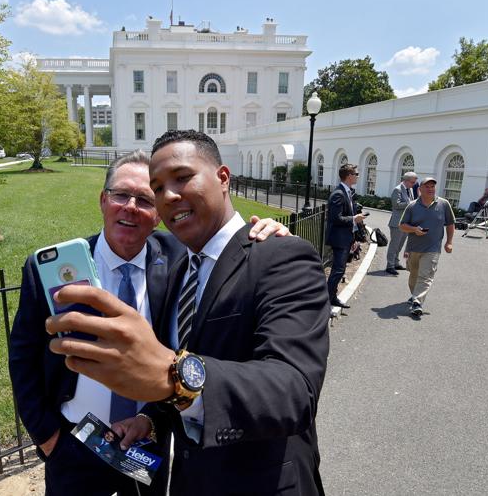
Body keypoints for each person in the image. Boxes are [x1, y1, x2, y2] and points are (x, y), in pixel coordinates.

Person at [45, 130, 331, 496]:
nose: (169, 196)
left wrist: (173, 376)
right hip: (189, 480)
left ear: (223, 178)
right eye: (158, 187)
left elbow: (294, 390)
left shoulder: (280, 254)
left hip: (263, 482)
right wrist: (150, 418)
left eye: (182, 178)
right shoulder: (178, 268)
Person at [399, 176, 455, 317]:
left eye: (432, 186)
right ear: (420, 189)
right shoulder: (412, 206)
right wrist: (414, 229)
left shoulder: (444, 204)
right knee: (414, 276)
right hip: (414, 248)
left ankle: (417, 302)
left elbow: (450, 224)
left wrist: (449, 242)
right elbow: (402, 226)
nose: (431, 189)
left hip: (433, 248)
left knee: (426, 276)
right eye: (427, 187)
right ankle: (415, 296)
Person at [325, 163, 365, 308]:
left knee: (339, 269)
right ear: (349, 176)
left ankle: (332, 296)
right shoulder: (338, 194)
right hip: (339, 239)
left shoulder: (347, 192)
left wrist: (353, 238)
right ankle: (328, 299)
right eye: (356, 174)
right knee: (337, 270)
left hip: (346, 237)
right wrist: (355, 219)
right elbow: (335, 218)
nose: (358, 176)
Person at [386, 171, 418, 275]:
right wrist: (411, 203)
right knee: (394, 245)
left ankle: (395, 262)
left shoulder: (410, 189)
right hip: (397, 223)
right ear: (406, 180)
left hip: (406, 224)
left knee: (400, 245)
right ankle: (389, 266)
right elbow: (396, 205)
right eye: (413, 182)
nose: (414, 184)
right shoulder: (397, 189)